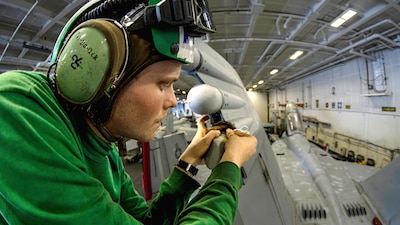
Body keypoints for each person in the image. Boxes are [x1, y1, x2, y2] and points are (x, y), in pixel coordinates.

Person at [0, 0, 257, 224]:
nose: (171, 100)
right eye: (163, 84)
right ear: (101, 73)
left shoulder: (104, 146)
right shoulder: (14, 108)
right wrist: (228, 170)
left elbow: (148, 221)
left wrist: (186, 165)